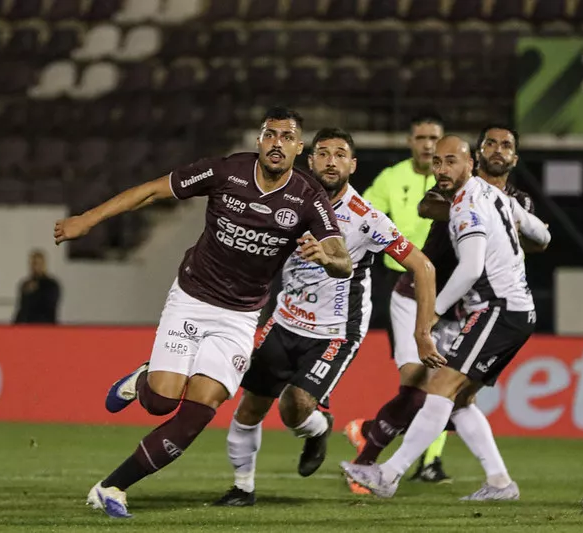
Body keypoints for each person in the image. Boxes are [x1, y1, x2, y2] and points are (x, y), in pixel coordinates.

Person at [54, 107, 353, 519]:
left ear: (299, 148)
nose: (277, 143)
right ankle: (145, 378)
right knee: (160, 403)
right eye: (270, 135)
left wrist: (325, 256)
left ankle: (111, 488)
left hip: (240, 318)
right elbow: (152, 191)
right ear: (259, 140)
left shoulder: (307, 197)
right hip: (192, 300)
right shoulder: (226, 172)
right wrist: (88, 219)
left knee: (197, 414)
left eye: (287, 137)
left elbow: (343, 261)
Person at [213, 128, 439, 507]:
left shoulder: (366, 218)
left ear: (352, 164)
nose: (331, 161)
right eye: (323, 153)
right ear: (309, 160)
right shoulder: (289, 202)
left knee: (294, 407)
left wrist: (423, 332)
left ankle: (319, 428)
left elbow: (423, 266)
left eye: (340, 154)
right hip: (284, 320)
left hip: (335, 331)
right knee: (251, 405)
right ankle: (242, 487)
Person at [340, 135, 551, 499]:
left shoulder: (466, 204)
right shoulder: (496, 195)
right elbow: (542, 233)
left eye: (451, 161)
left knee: (439, 388)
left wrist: (432, 315)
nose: (442, 169)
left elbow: (470, 269)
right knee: (460, 399)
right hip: (516, 311)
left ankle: (387, 475)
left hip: (497, 309)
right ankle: (500, 483)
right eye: (437, 162)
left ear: (470, 163)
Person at [362, 111, 449, 479]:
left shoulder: (455, 178)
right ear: (411, 141)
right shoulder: (391, 178)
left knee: (445, 376)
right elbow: (364, 214)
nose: (428, 145)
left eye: (434, 138)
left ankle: (430, 461)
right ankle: (375, 431)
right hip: (402, 286)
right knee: (416, 376)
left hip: (447, 286)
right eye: (421, 138)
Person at [13, 250, 60, 324]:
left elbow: (49, 307)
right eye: (32, 263)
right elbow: (22, 308)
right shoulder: (26, 284)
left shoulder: (51, 285)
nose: (34, 266)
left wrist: (36, 291)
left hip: (44, 326)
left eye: (37, 263)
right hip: (27, 326)